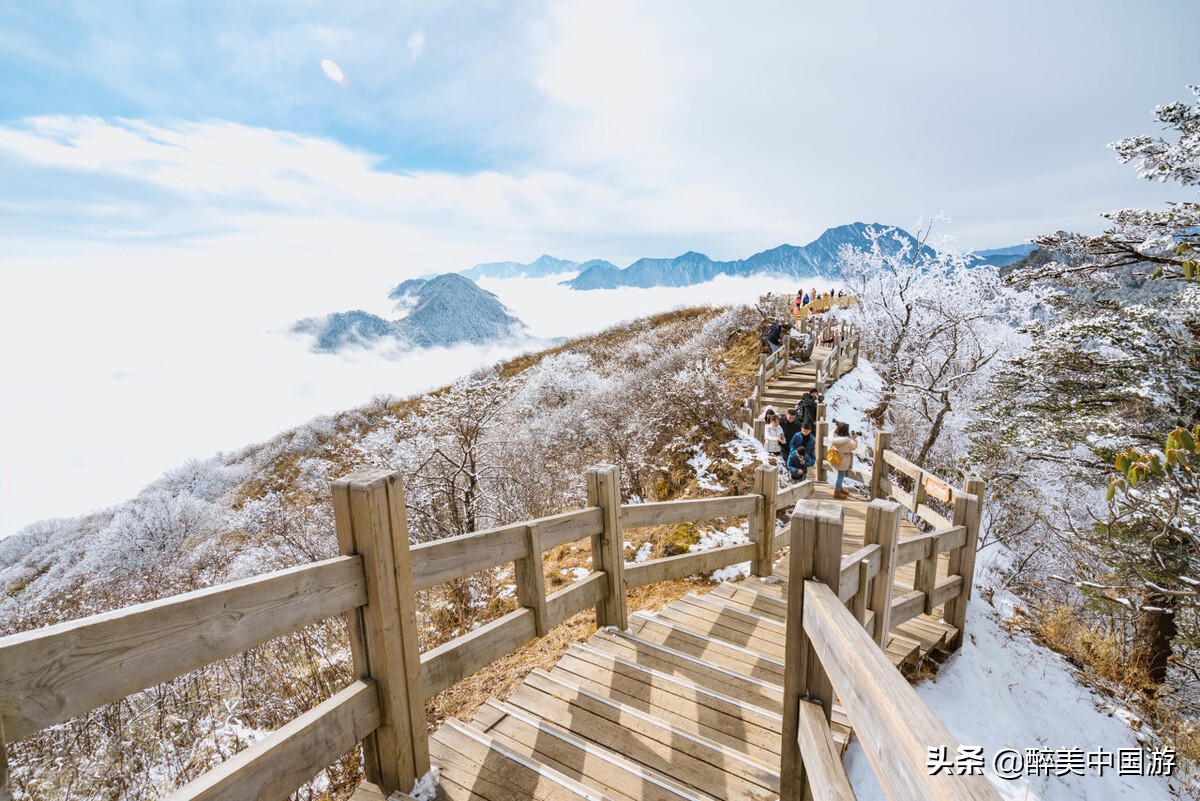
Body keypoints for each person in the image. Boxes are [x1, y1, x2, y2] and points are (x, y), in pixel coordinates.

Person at [830, 422, 859, 499]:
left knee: (839, 475)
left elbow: (833, 432)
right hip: (843, 461)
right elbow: (853, 446)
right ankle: (837, 493)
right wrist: (854, 439)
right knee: (840, 477)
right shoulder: (847, 441)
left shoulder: (834, 437)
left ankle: (840, 489)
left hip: (836, 459)